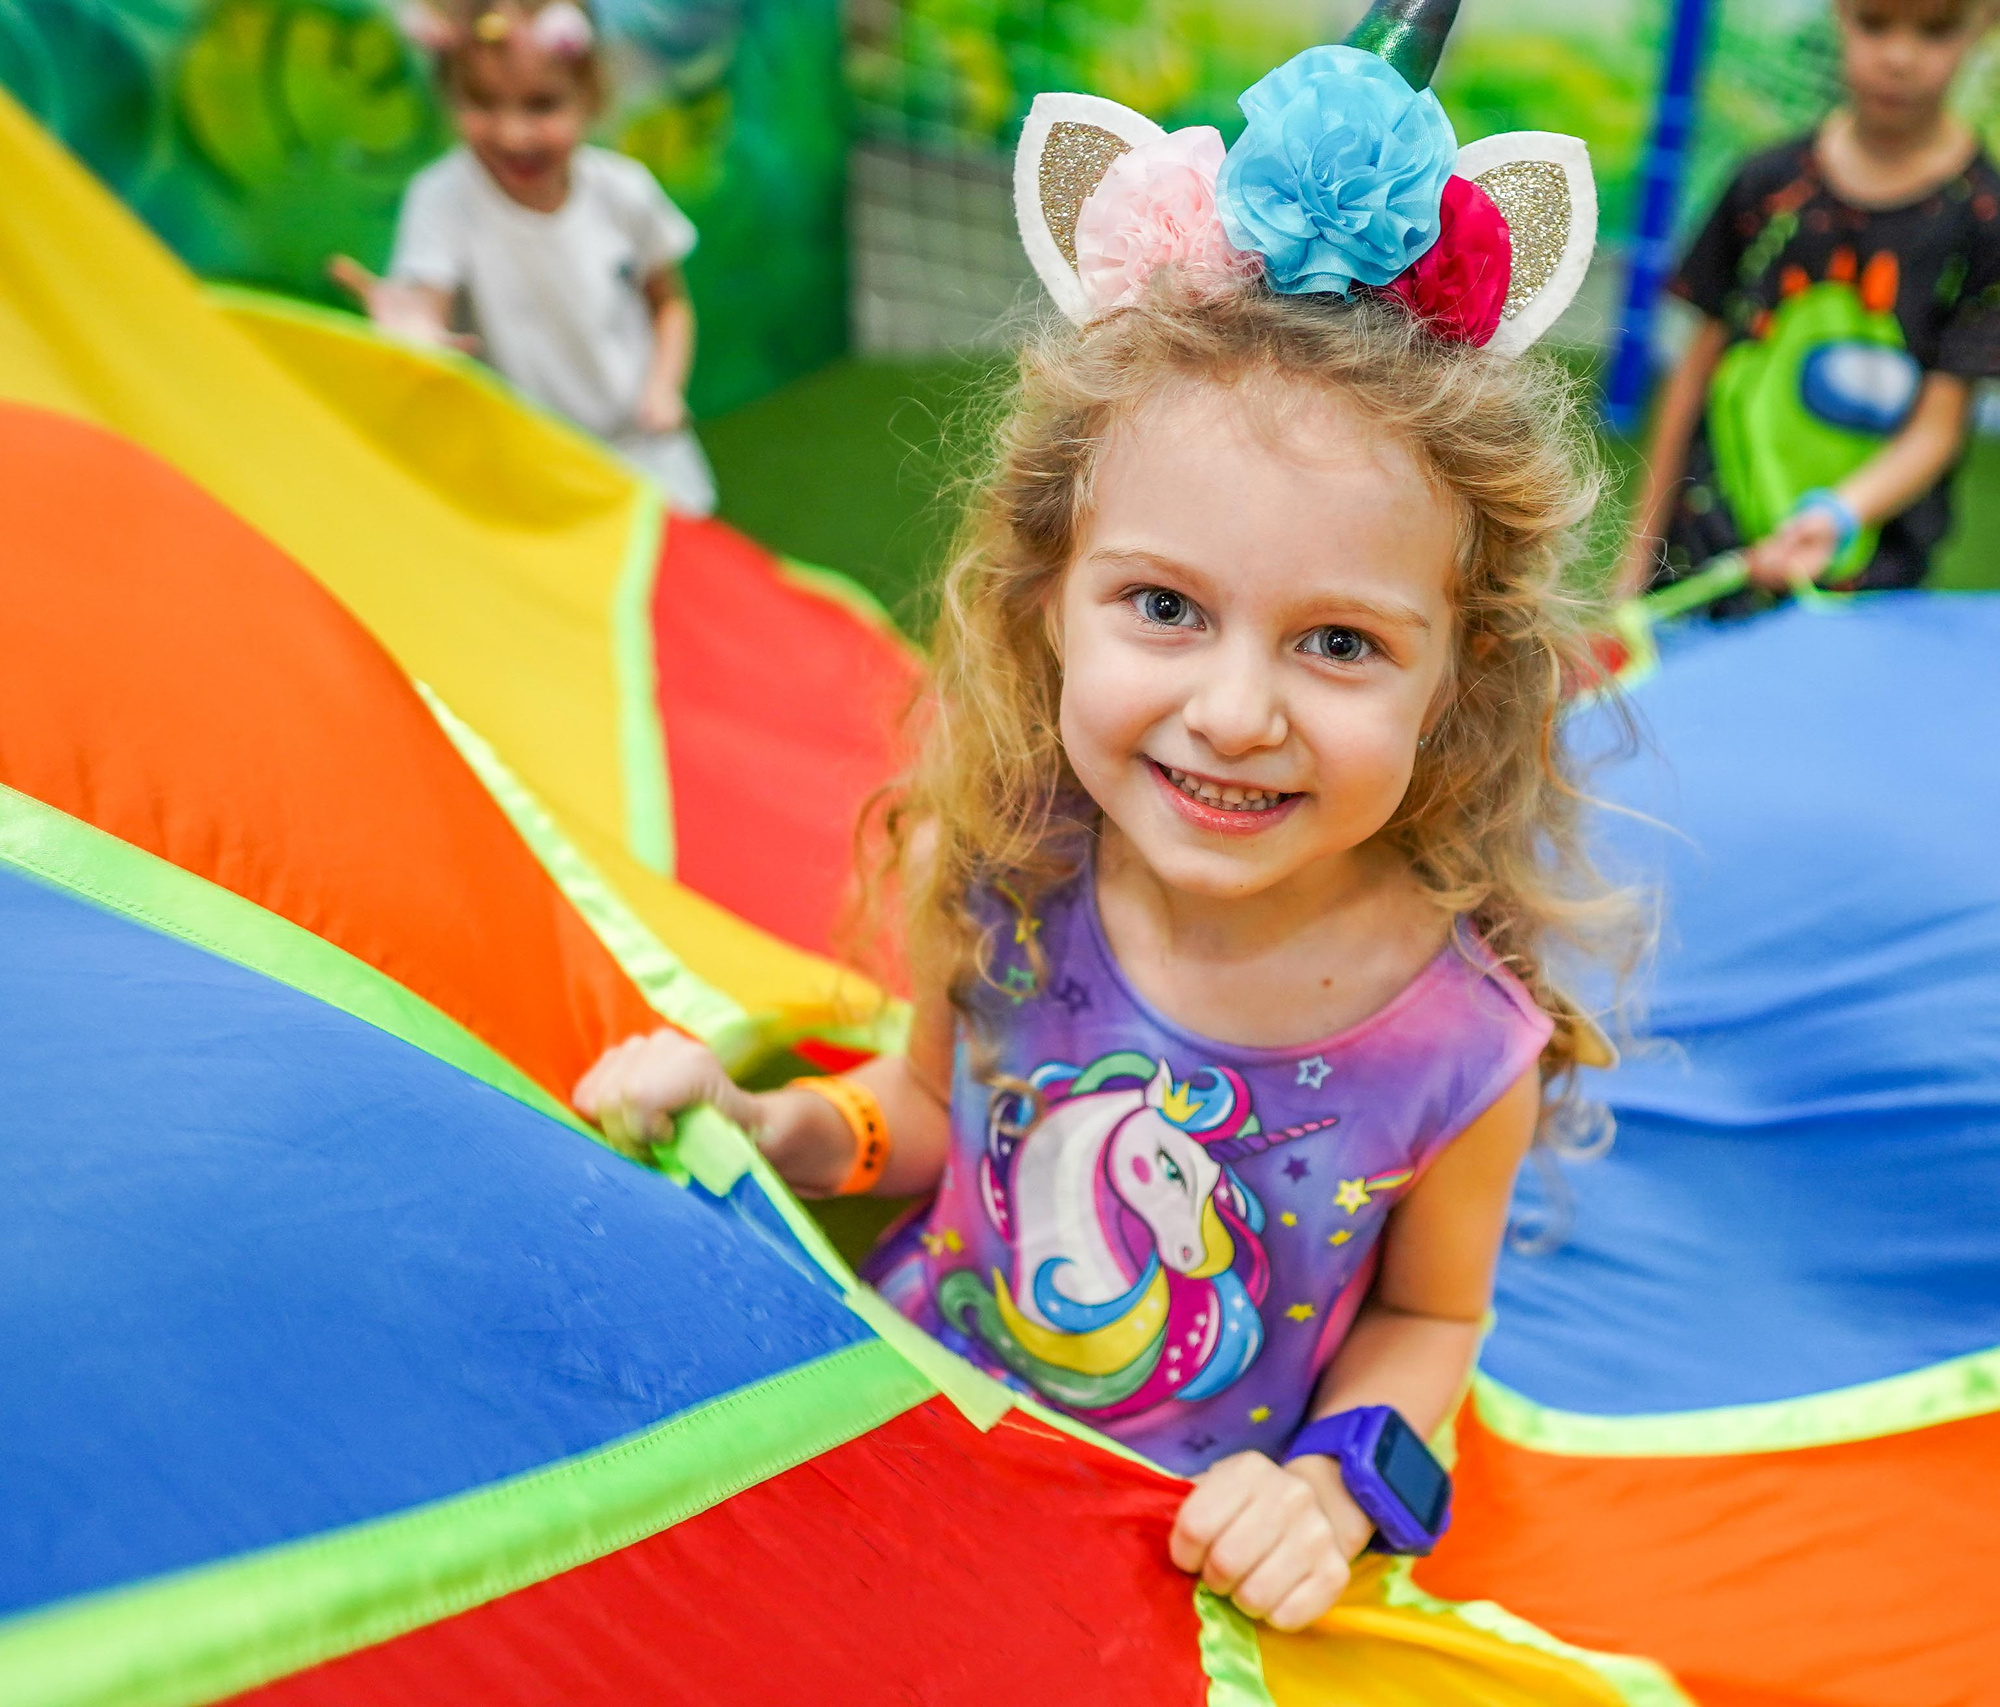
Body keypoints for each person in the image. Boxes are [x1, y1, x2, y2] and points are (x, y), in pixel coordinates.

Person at [575, 13, 1623, 1633]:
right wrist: (780, 1128)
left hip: (1163, 1580)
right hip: (902, 1448)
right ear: (1050, 598)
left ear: (1458, 675)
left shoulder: (1462, 1045)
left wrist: (1336, 1491)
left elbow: (1429, 1324)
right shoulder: (999, 867)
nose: (1234, 711)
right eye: (1164, 607)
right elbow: (925, 1119)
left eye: (1338, 642)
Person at [1612, 0, 2000, 607]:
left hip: (1866, 587)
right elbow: (1692, 376)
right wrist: (1633, 563)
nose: (1898, 57)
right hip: (1703, 561)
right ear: (1839, 14)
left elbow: (1939, 427)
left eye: (1936, 30)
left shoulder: (1993, 220)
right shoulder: (1764, 184)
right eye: (1873, 22)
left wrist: (1840, 514)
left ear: (1989, 21)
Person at [330, 0, 717, 514]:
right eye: (482, 103)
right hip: (527, 477)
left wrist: (663, 389)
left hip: (646, 461)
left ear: (591, 96)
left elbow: (669, 304)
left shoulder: (623, 192)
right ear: (449, 97)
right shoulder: (443, 198)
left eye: (541, 105)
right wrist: (414, 331)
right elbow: (429, 307)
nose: (512, 134)